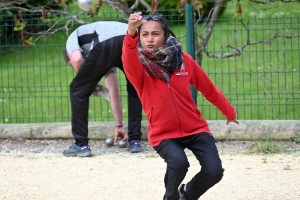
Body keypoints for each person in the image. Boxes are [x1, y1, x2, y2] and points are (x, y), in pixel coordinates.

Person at [122, 12, 240, 200]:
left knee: (215, 171)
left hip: (195, 128)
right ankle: (170, 197)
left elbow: (209, 89)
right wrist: (130, 32)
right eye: (145, 35)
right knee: (178, 163)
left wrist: (230, 112)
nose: (150, 39)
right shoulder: (140, 69)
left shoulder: (185, 61)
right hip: (163, 134)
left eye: (155, 34)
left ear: (166, 36)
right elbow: (128, 58)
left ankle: (186, 194)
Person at [62, 21, 143, 157]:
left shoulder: (72, 39)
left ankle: (81, 145)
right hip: (134, 39)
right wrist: (119, 126)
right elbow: (113, 93)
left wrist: (87, 85)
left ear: (67, 56)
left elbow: (76, 59)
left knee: (77, 89)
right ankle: (134, 141)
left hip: (107, 42)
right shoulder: (101, 57)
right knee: (135, 89)